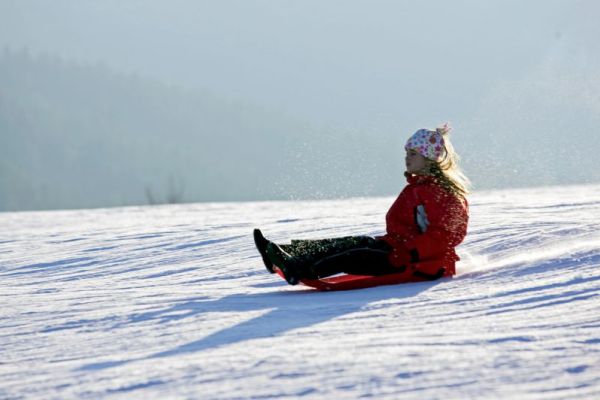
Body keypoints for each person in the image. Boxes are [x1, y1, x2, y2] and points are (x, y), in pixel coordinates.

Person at [253, 123, 470, 285]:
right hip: (395, 247)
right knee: (348, 243)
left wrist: (411, 253)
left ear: (429, 159)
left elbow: (446, 235)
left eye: (413, 154)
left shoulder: (441, 193)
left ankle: (297, 268)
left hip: (417, 262)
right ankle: (282, 251)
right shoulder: (419, 187)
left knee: (351, 256)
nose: (406, 158)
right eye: (406, 152)